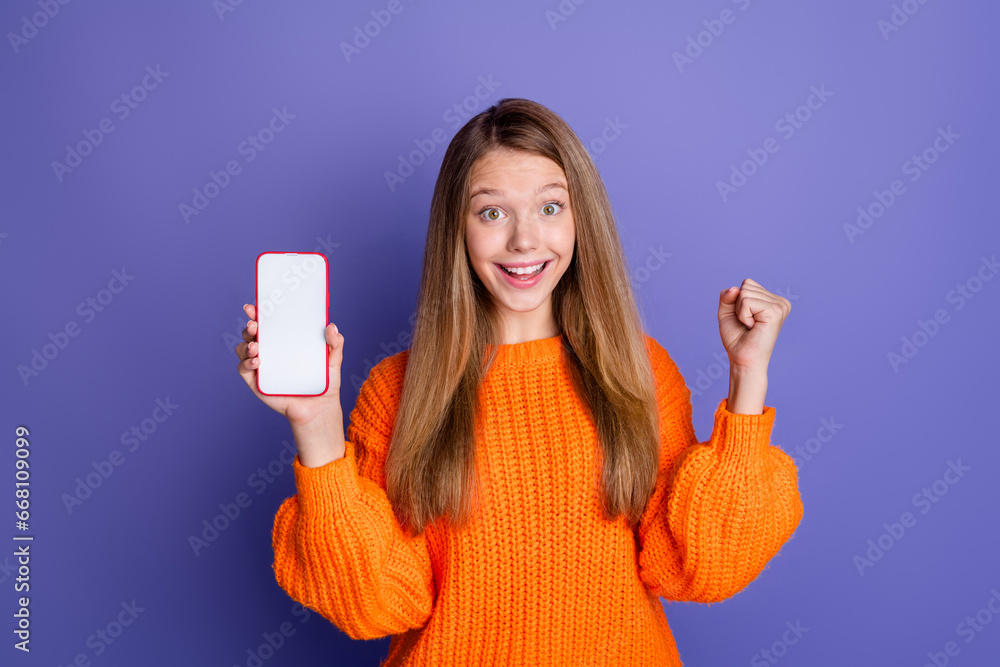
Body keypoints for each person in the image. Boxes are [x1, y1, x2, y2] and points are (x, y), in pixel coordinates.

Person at [235, 97, 803, 666]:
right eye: (492, 213)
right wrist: (316, 425)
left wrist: (747, 379)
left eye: (550, 208)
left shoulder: (640, 371)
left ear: (583, 219)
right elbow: (376, 603)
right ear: (456, 229)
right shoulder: (398, 390)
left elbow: (697, 566)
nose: (525, 241)